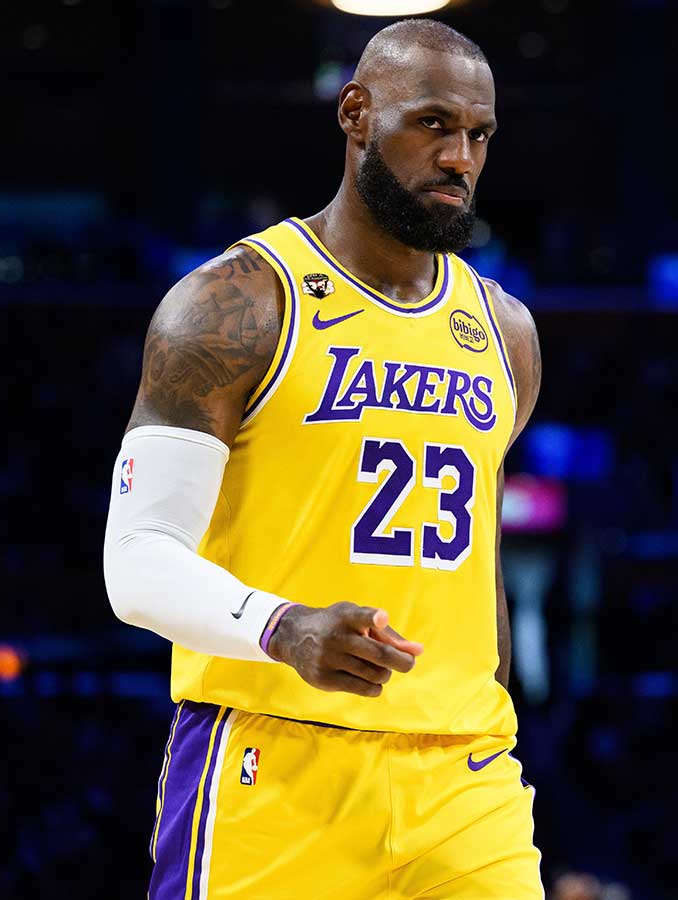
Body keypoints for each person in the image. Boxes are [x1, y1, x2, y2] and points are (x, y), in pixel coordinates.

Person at [103, 18, 542, 899]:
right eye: (432, 124)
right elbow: (136, 561)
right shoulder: (232, 305)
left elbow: (476, 570)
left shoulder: (506, 333)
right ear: (355, 113)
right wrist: (283, 625)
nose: (460, 157)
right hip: (275, 761)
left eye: (479, 135)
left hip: (463, 781)